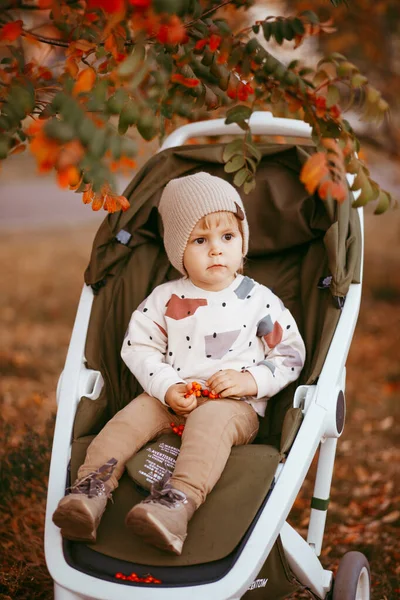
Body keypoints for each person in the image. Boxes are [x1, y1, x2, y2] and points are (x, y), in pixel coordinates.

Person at [52, 172, 306, 555]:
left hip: (232, 407)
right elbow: (138, 345)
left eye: (227, 237)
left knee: (210, 421)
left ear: (242, 243)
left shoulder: (258, 301)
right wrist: (166, 385)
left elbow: (289, 353)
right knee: (129, 418)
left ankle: (176, 505)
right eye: (200, 240)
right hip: (171, 395)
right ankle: (90, 492)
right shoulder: (165, 298)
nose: (216, 250)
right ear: (178, 251)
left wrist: (250, 380)